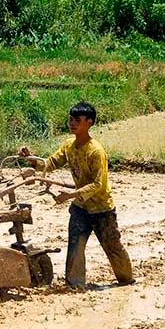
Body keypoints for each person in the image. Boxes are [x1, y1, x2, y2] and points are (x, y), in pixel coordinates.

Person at [19, 101, 134, 289]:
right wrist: (31, 159)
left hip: (101, 209)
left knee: (112, 247)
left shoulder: (96, 151)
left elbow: (98, 184)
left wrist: (71, 194)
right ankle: (75, 285)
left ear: (89, 122)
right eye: (70, 119)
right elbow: (50, 163)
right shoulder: (69, 146)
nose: (72, 123)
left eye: (77, 120)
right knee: (75, 247)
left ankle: (127, 280)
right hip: (81, 208)